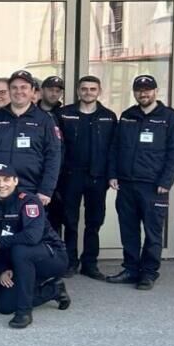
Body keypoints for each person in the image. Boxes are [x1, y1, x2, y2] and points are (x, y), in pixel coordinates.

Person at [107, 75, 174, 291]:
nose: (143, 94)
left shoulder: (169, 117)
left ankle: (148, 273)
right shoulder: (128, 116)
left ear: (156, 91)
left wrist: (166, 181)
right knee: (128, 230)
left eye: (148, 90)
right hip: (127, 184)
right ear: (134, 92)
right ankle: (131, 269)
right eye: (139, 90)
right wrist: (113, 174)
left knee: (152, 232)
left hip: (153, 186)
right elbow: (115, 147)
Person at [0, 163, 70, 328]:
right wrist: (3, 269)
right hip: (21, 262)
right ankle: (54, 289)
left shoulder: (29, 201)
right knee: (4, 306)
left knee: (21, 250)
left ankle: (24, 312)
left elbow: (32, 236)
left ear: (15, 181)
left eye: (6, 179)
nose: (2, 184)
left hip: (52, 256)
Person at [53, 75, 116, 280]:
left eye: (92, 89)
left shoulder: (108, 117)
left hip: (98, 177)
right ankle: (70, 261)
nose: (88, 92)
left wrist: (112, 175)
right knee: (70, 221)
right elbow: (57, 147)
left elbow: (114, 149)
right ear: (78, 91)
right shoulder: (64, 114)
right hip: (70, 176)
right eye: (84, 89)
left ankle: (90, 263)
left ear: (99, 91)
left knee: (94, 222)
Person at [0, 70, 62, 208]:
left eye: (24, 87)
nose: (19, 91)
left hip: (31, 190)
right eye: (14, 87)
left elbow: (53, 156)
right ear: (9, 91)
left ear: (33, 91)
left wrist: (46, 190)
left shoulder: (45, 120)